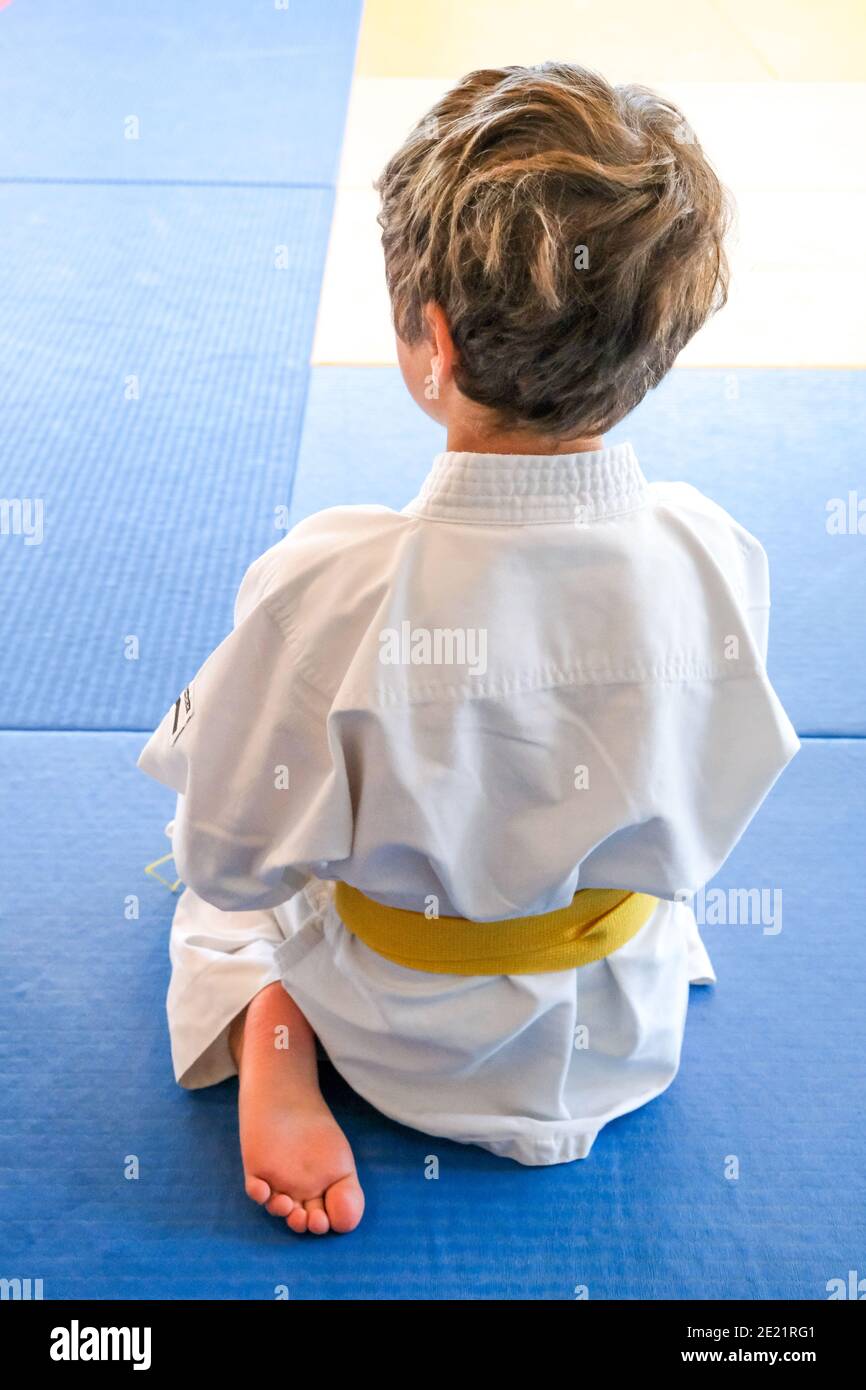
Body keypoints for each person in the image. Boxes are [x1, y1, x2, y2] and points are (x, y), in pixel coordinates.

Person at [139, 63, 799, 1235]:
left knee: (211, 855)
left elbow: (230, 860)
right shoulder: (712, 553)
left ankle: (275, 1035)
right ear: (660, 343)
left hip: (386, 1022)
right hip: (616, 1023)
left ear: (428, 342)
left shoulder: (328, 588)